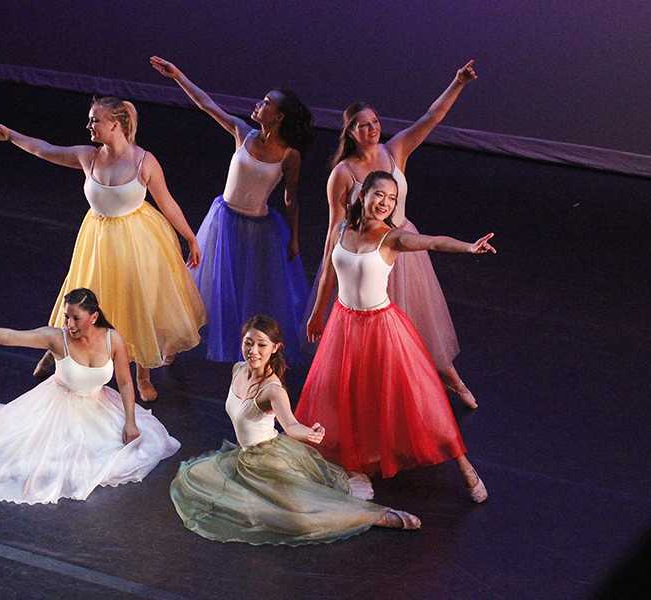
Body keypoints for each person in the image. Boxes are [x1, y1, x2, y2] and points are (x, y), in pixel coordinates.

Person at [0, 96, 206, 401]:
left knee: (136, 301)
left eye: (94, 120)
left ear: (115, 124)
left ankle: (142, 374)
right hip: (98, 237)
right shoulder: (89, 156)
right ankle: (59, 348)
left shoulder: (144, 161)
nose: (89, 125)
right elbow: (45, 150)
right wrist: (11, 136)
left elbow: (167, 203)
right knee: (81, 292)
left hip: (136, 240)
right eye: (89, 120)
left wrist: (190, 237)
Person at [299, 171, 493, 502]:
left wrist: (468, 247)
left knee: (418, 399)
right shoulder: (341, 229)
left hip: (382, 327)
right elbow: (328, 276)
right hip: (344, 326)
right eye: (380, 195)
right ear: (363, 195)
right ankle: (355, 464)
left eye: (391, 199)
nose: (385, 203)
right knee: (344, 396)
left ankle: (464, 466)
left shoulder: (391, 239)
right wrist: (318, 313)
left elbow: (430, 241)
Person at [310, 60, 480, 407]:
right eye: (362, 126)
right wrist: (319, 306)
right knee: (377, 337)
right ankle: (392, 398)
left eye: (374, 123)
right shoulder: (342, 174)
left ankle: (453, 381)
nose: (372, 130)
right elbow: (334, 232)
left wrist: (458, 82)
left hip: (401, 245)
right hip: (365, 254)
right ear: (350, 133)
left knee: (421, 325)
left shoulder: (395, 149)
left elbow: (431, 118)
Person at [170, 314, 421, 546]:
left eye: (261, 345)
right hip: (245, 458)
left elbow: (290, 424)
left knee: (298, 517)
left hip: (269, 459)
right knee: (196, 479)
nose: (253, 351)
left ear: (275, 348)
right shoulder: (238, 369)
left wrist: (309, 433)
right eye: (248, 343)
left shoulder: (272, 389)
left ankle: (376, 516)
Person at [0, 288, 180, 505]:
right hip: (57, 408)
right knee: (44, 463)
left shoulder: (112, 339)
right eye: (67, 317)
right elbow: (11, 336)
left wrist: (130, 420)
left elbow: (125, 382)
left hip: (99, 408)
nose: (70, 324)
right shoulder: (56, 339)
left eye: (76, 318)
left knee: (129, 451)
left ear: (93, 317)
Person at [150, 56, 311, 364]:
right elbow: (207, 104)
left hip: (260, 229)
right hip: (223, 221)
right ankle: (173, 344)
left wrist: (294, 238)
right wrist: (178, 76)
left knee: (254, 292)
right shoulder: (243, 133)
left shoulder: (290, 155)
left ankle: (262, 355)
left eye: (266, 103)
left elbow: (291, 198)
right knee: (198, 284)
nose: (258, 105)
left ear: (278, 117)